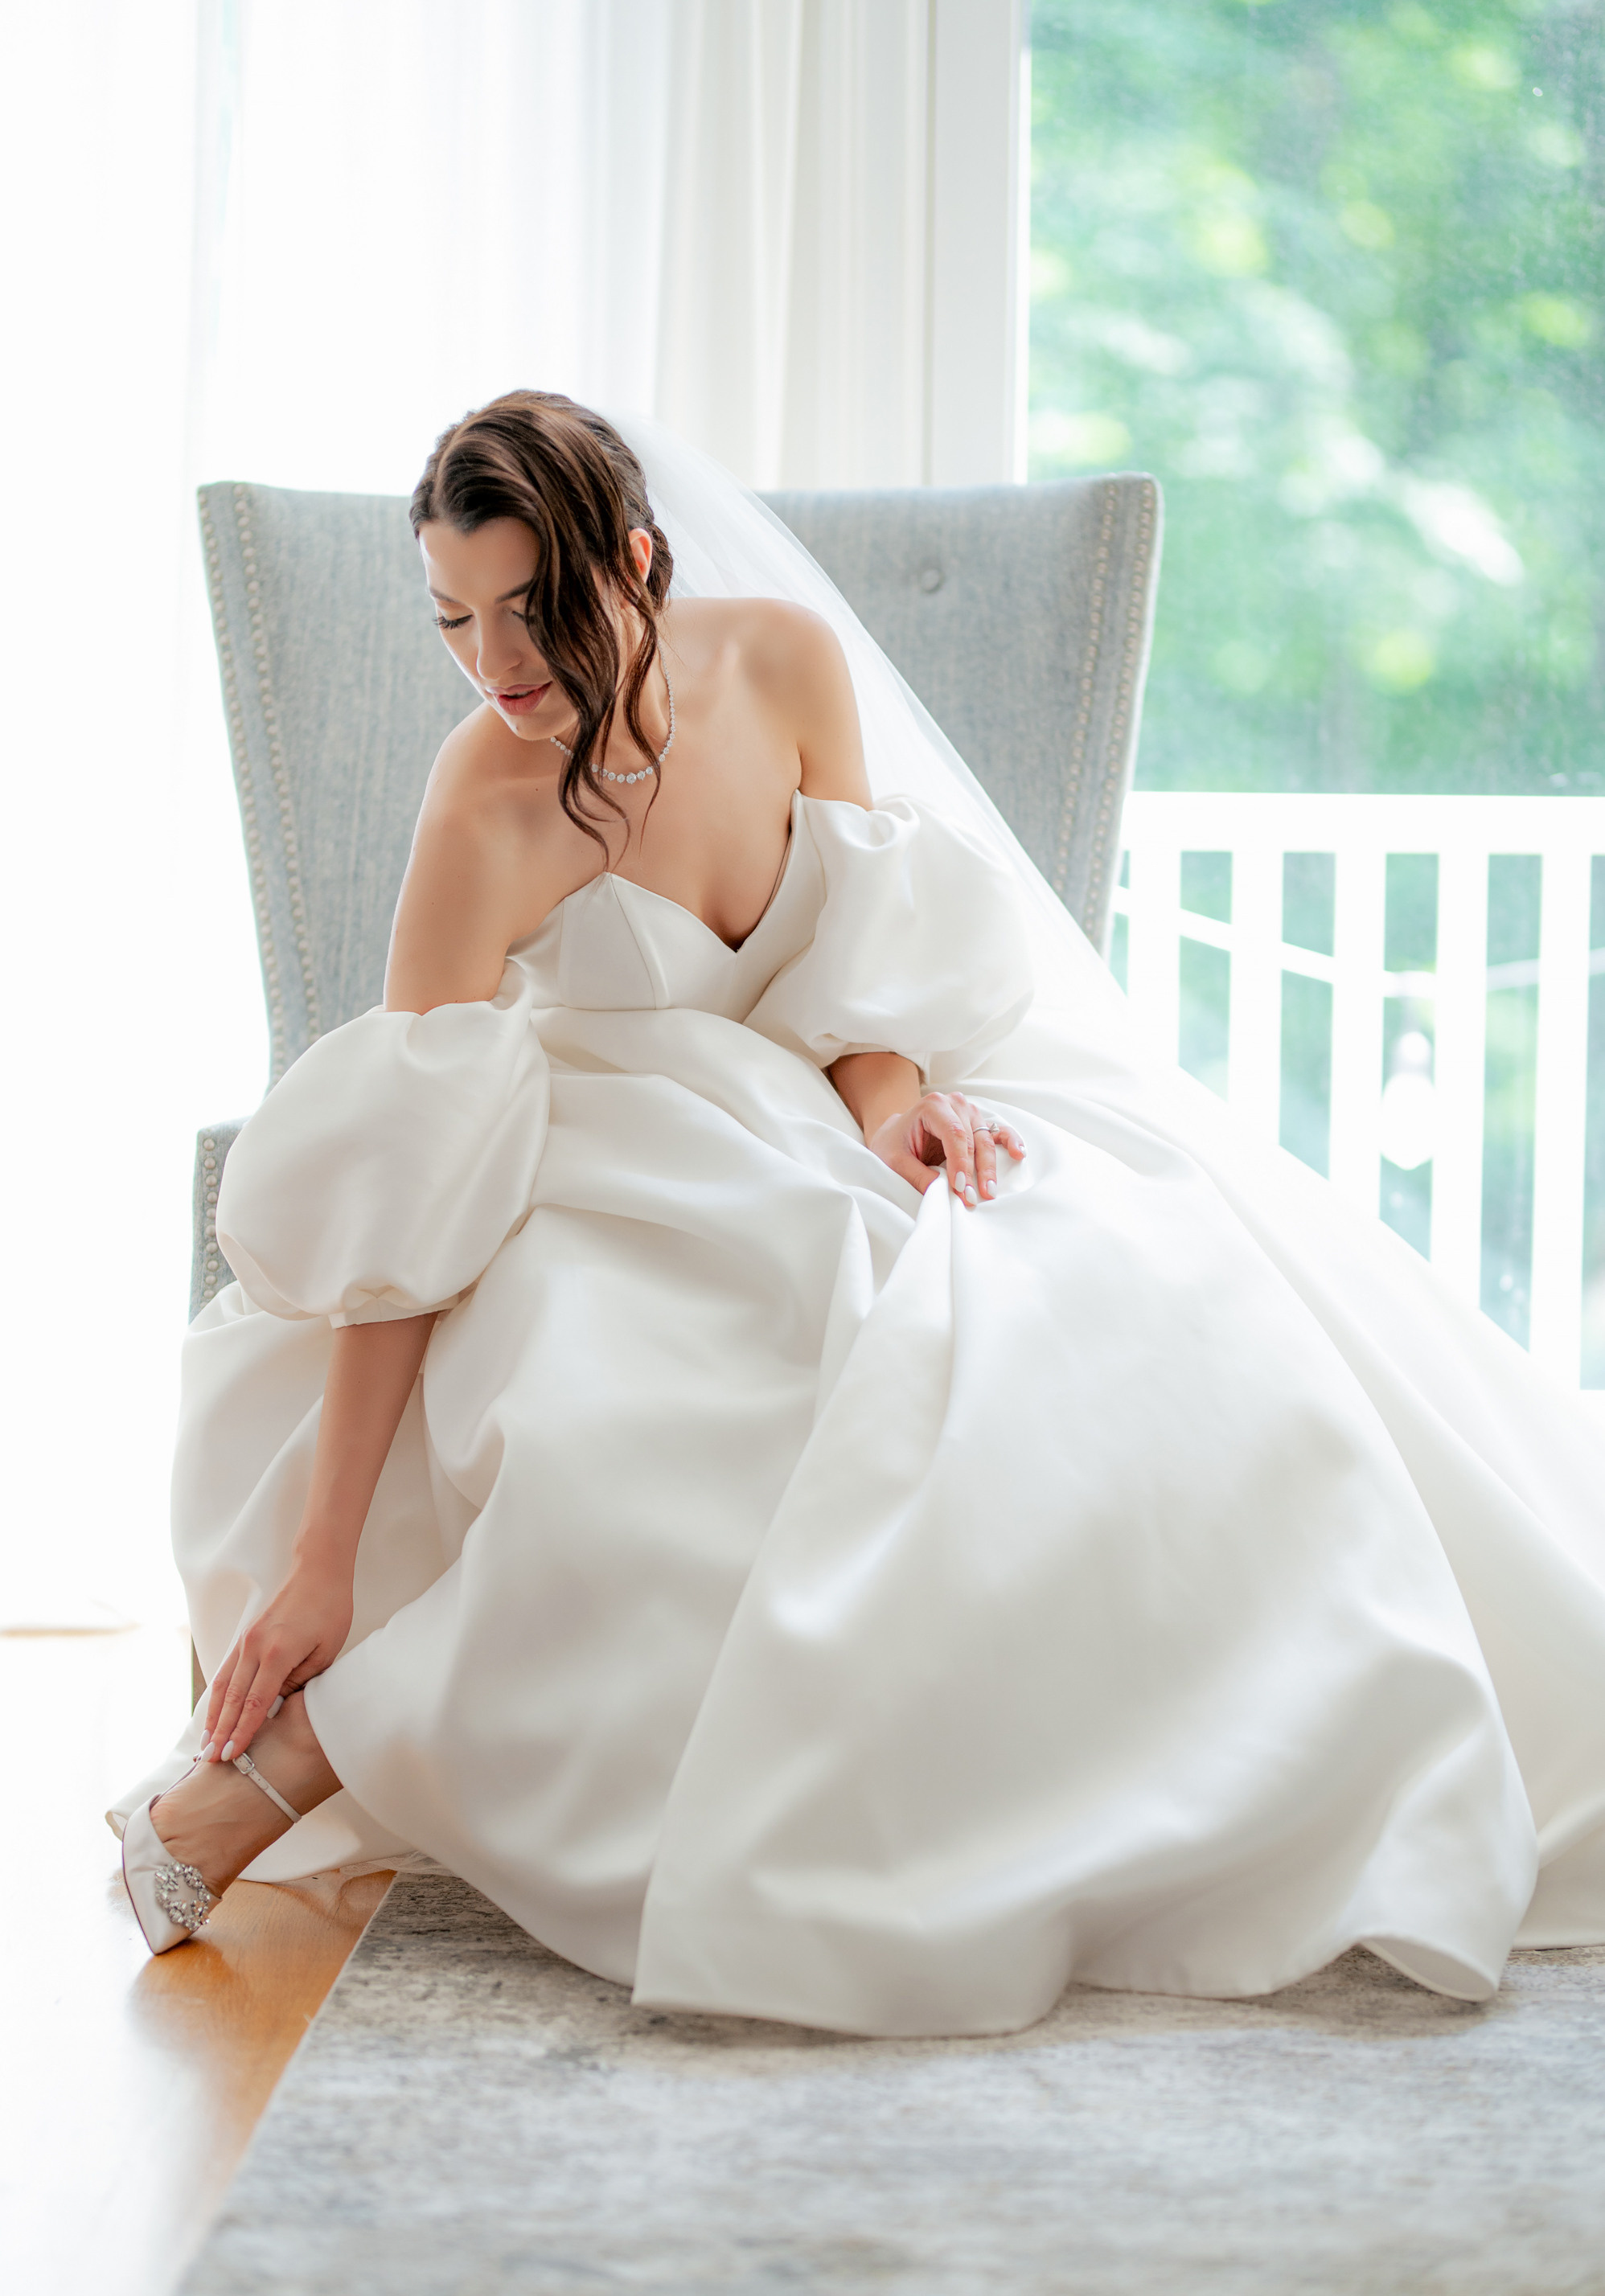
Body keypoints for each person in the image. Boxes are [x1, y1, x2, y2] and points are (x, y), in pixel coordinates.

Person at [114, 392, 1605, 2037]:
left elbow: (850, 967)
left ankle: (1154, 1774)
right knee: (639, 1422)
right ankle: (292, 1756)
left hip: (806, 1114)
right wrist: (322, 1559)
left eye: (530, 608)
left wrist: (897, 1114)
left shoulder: (780, 664)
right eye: (454, 620)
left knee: (1112, 1279)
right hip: (591, 1160)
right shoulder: (483, 798)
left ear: (636, 561)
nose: (494, 664)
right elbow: (409, 1185)